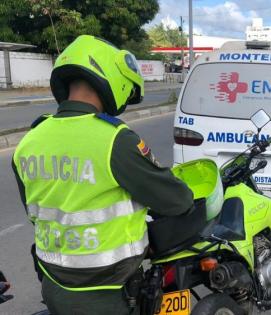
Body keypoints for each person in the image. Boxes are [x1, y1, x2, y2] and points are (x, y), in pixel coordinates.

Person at [11, 35, 194, 314]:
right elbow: (177, 200)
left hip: (54, 284)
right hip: (108, 291)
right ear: (110, 76)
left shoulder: (29, 141)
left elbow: (37, 210)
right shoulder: (114, 140)